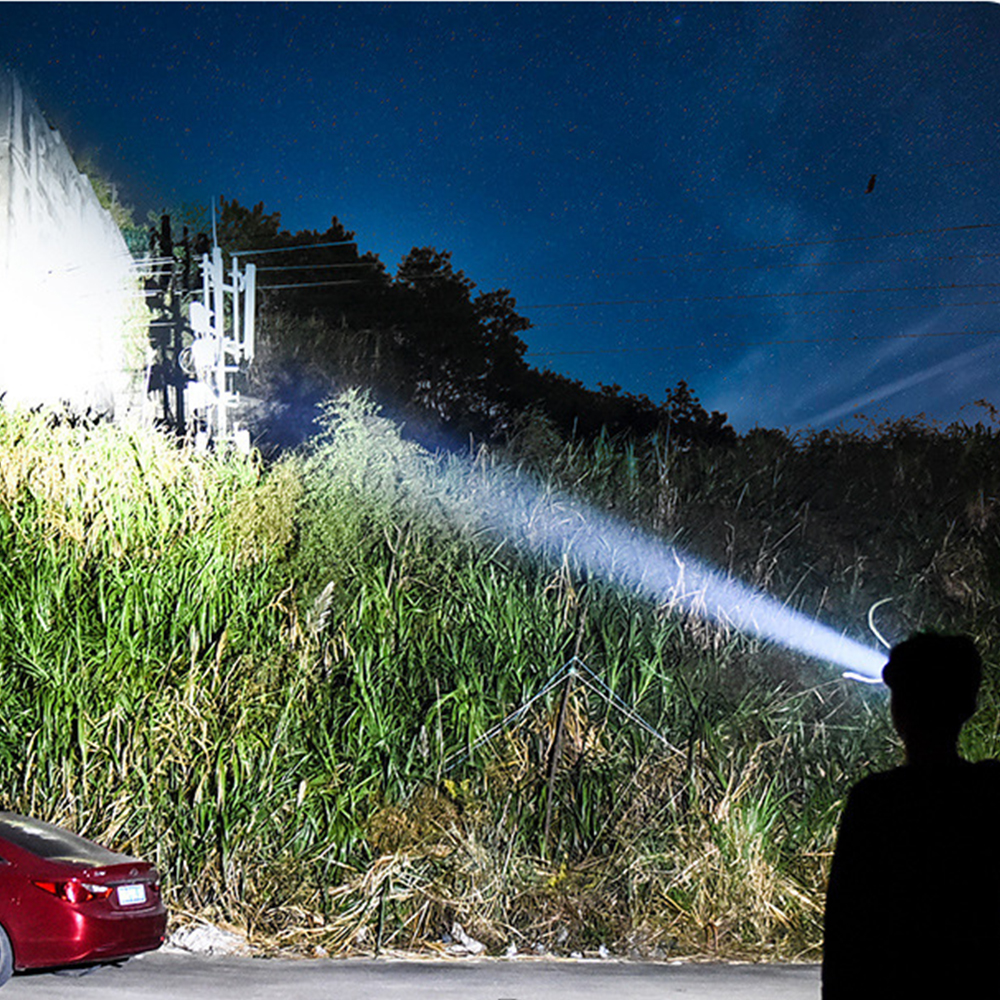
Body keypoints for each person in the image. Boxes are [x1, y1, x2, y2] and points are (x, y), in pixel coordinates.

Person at [822, 633, 1000, 997]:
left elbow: (846, 928)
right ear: (968, 706)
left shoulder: (875, 801)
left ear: (898, 710)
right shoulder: (989, 795)